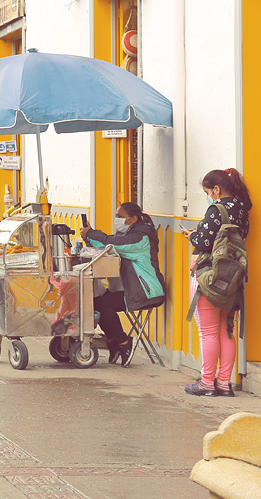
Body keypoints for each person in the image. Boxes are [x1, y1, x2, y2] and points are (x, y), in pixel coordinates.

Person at [182, 168, 251, 395]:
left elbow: (204, 242)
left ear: (217, 189)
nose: (208, 196)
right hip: (232, 276)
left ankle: (206, 383)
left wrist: (192, 235)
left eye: (207, 192)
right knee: (226, 329)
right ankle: (224, 383)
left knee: (209, 332)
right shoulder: (242, 209)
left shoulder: (216, 209)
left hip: (209, 274)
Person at [78, 202, 165, 365]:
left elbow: (112, 244)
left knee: (105, 305)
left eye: (120, 216)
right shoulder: (128, 234)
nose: (116, 219)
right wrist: (89, 238)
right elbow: (106, 247)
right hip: (131, 289)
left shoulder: (141, 238)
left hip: (147, 291)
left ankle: (123, 343)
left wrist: (92, 234)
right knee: (94, 303)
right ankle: (112, 341)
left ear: (133, 219)